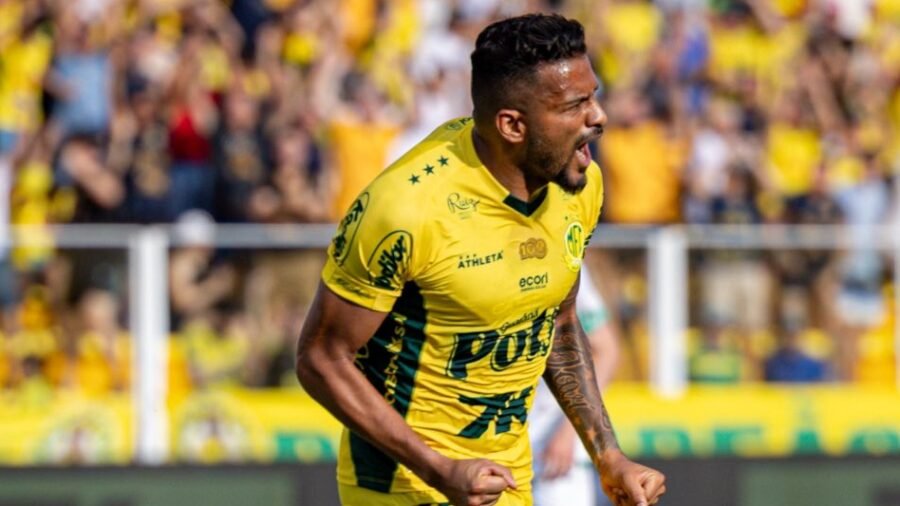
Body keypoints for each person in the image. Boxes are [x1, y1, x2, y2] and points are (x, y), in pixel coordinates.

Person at [295, 13, 666, 506]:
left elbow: (557, 320)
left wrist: (608, 456)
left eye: (593, 96)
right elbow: (320, 357)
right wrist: (439, 469)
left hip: (506, 481)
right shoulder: (405, 208)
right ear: (512, 125)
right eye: (575, 106)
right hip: (405, 486)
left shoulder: (579, 183)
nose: (598, 117)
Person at [528, 266, 620, 506]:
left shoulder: (562, 261)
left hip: (552, 452)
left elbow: (606, 349)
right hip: (496, 448)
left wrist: (570, 431)